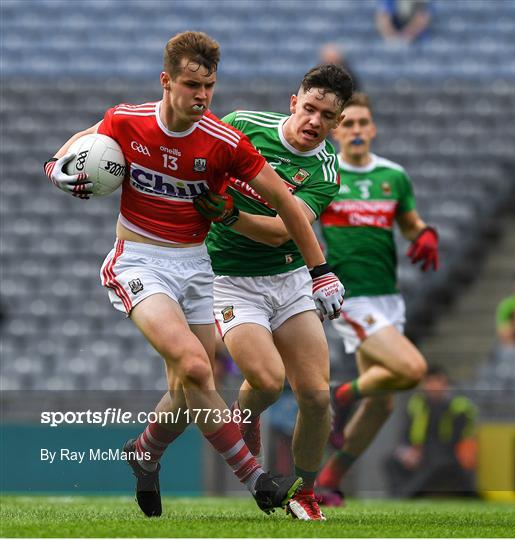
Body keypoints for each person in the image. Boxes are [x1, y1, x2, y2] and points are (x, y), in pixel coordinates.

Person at [44, 31, 344, 518]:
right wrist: (54, 164)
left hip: (198, 266)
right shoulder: (128, 120)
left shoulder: (225, 141)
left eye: (209, 86)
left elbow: (286, 204)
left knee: (187, 386)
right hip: (140, 261)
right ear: (166, 82)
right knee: (198, 367)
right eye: (191, 85)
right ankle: (256, 479)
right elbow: (89, 136)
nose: (202, 96)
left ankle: (145, 450)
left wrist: (321, 270)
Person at [191, 64, 353, 521]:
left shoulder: (324, 168)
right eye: (309, 108)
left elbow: (284, 232)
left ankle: (304, 491)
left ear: (337, 123)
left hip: (288, 280)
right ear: (293, 103)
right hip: (231, 280)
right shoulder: (243, 126)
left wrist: (227, 215)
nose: (314, 121)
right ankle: (250, 424)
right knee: (265, 381)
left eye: (326, 116)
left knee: (317, 396)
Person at [315, 92, 439, 505]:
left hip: (388, 298)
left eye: (362, 123)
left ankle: (328, 480)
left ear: (373, 128)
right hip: (352, 297)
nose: (355, 130)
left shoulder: (394, 176)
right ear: (336, 130)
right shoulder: (326, 176)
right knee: (412, 368)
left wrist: (423, 233)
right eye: (347, 123)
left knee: (383, 404)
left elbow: (408, 223)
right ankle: (340, 396)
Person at [385, 366, 477, 498]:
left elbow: (457, 439)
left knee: (435, 461)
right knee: (391, 461)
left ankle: (406, 496)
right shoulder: (417, 405)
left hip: (448, 455)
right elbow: (406, 434)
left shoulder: (458, 406)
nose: (434, 386)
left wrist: (421, 451)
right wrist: (407, 451)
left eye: (438, 381)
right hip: (421, 453)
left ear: (446, 384)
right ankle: (397, 495)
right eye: (430, 382)